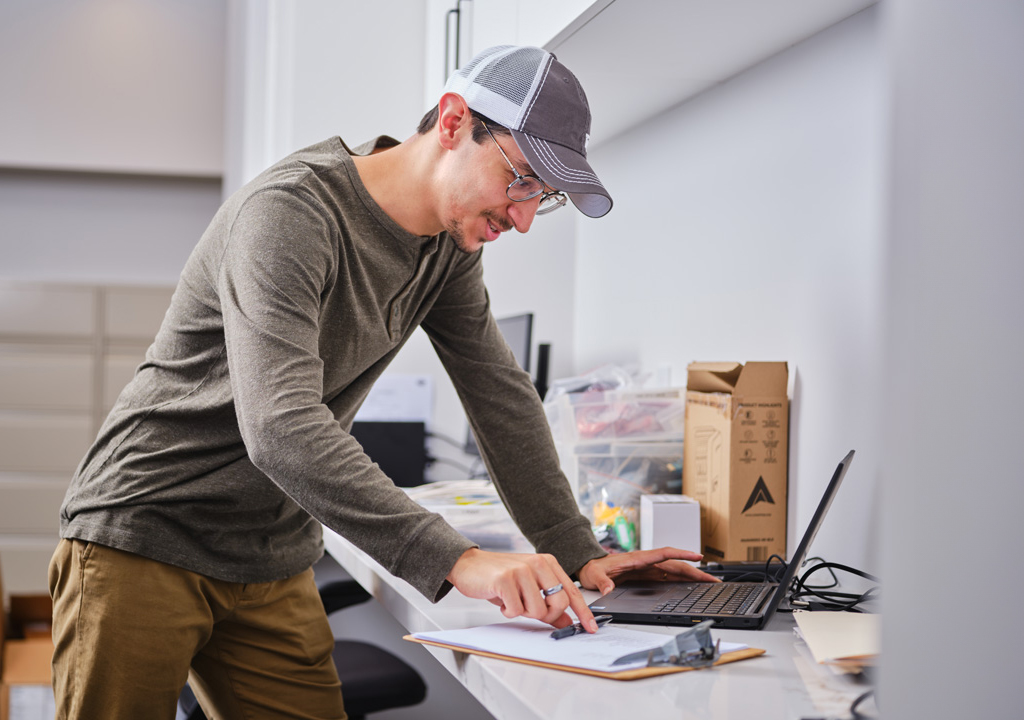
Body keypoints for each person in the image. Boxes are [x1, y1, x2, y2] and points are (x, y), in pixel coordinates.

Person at [49, 45, 718, 719]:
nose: (521, 218)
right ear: (453, 122)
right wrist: (458, 559)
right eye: (520, 180)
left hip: (266, 552)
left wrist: (577, 552)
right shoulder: (291, 215)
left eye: (541, 199)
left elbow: (500, 395)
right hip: (144, 529)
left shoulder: (448, 252)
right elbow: (280, 428)